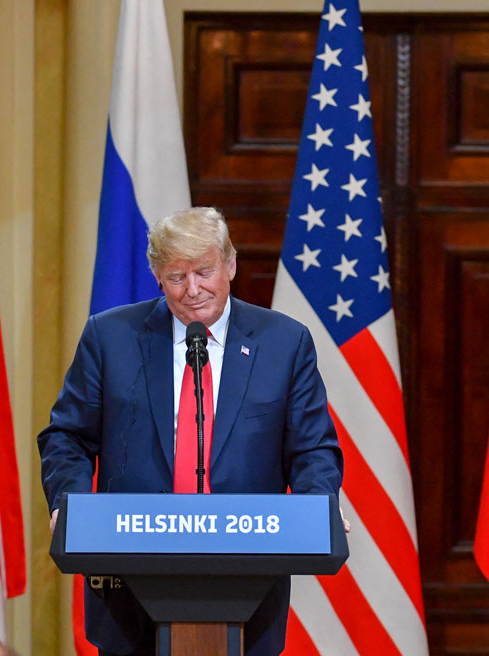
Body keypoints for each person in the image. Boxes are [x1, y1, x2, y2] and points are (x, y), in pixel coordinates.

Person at [38, 207, 344, 656]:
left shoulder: (284, 342)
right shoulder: (110, 337)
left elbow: (313, 447)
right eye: (177, 276)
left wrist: (320, 507)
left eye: (204, 271)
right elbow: (67, 436)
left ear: (231, 264)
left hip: (248, 578)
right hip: (129, 576)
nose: (194, 289)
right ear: (157, 278)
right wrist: (70, 505)